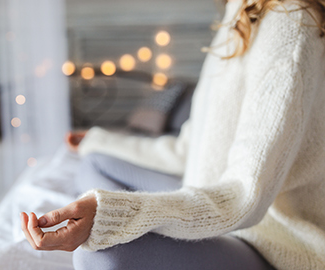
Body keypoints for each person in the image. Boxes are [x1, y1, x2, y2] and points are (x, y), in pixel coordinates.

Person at [21, 0, 325, 269]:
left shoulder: (289, 23)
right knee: (95, 161)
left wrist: (115, 216)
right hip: (211, 194)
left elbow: (245, 196)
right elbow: (187, 149)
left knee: (98, 256)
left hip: (271, 239)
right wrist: (99, 140)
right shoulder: (241, 14)